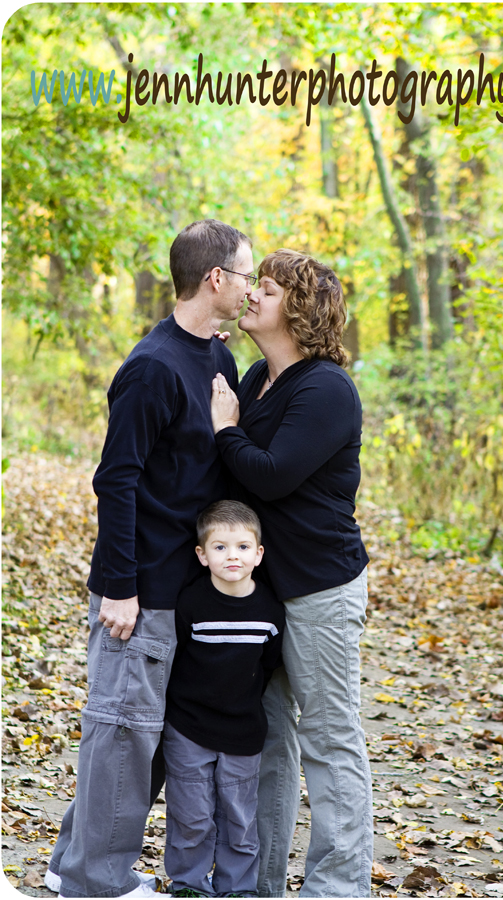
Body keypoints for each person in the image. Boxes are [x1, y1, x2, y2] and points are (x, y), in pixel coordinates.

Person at [47, 219, 256, 900]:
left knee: (147, 736)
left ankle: (72, 862)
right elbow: (117, 480)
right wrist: (119, 586)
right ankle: (96, 881)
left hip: (185, 584)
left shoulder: (216, 359)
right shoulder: (152, 368)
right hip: (141, 587)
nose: (251, 288)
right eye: (246, 274)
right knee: (123, 732)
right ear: (216, 278)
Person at [210, 249, 373, 898]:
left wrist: (226, 431)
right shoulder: (257, 377)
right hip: (262, 589)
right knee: (267, 738)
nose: (253, 294)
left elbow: (271, 475)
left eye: (269, 289)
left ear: (300, 311)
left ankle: (337, 887)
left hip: (320, 589)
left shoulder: (327, 389)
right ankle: (258, 885)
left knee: (329, 737)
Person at [163, 500, 285, 899]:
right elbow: (176, 659)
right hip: (188, 728)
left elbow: (268, 663)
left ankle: (237, 888)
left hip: (243, 732)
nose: (232, 555)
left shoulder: (270, 610)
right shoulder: (190, 603)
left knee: (239, 818)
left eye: (243, 547)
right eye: (220, 547)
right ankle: (189, 885)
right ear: (202, 555)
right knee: (192, 816)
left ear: (258, 554)